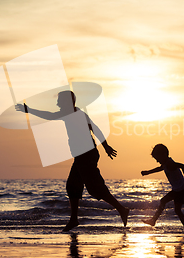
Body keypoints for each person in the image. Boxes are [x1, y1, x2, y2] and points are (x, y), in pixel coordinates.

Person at [16, 90, 129, 231]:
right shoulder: (77, 113)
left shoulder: (73, 113)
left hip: (86, 155)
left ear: (67, 102)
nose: (57, 103)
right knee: (72, 186)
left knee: (95, 188)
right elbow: (94, 128)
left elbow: (50, 116)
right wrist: (105, 147)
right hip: (83, 155)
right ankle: (74, 219)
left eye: (59, 101)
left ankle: (122, 209)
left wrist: (29, 110)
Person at [141, 144, 184, 232]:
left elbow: (183, 166)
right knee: (176, 210)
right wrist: (148, 172)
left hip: (181, 189)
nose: (157, 161)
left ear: (164, 155)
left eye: (157, 158)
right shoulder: (165, 164)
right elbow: (159, 169)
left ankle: (154, 220)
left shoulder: (170, 164)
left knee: (167, 203)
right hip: (178, 189)